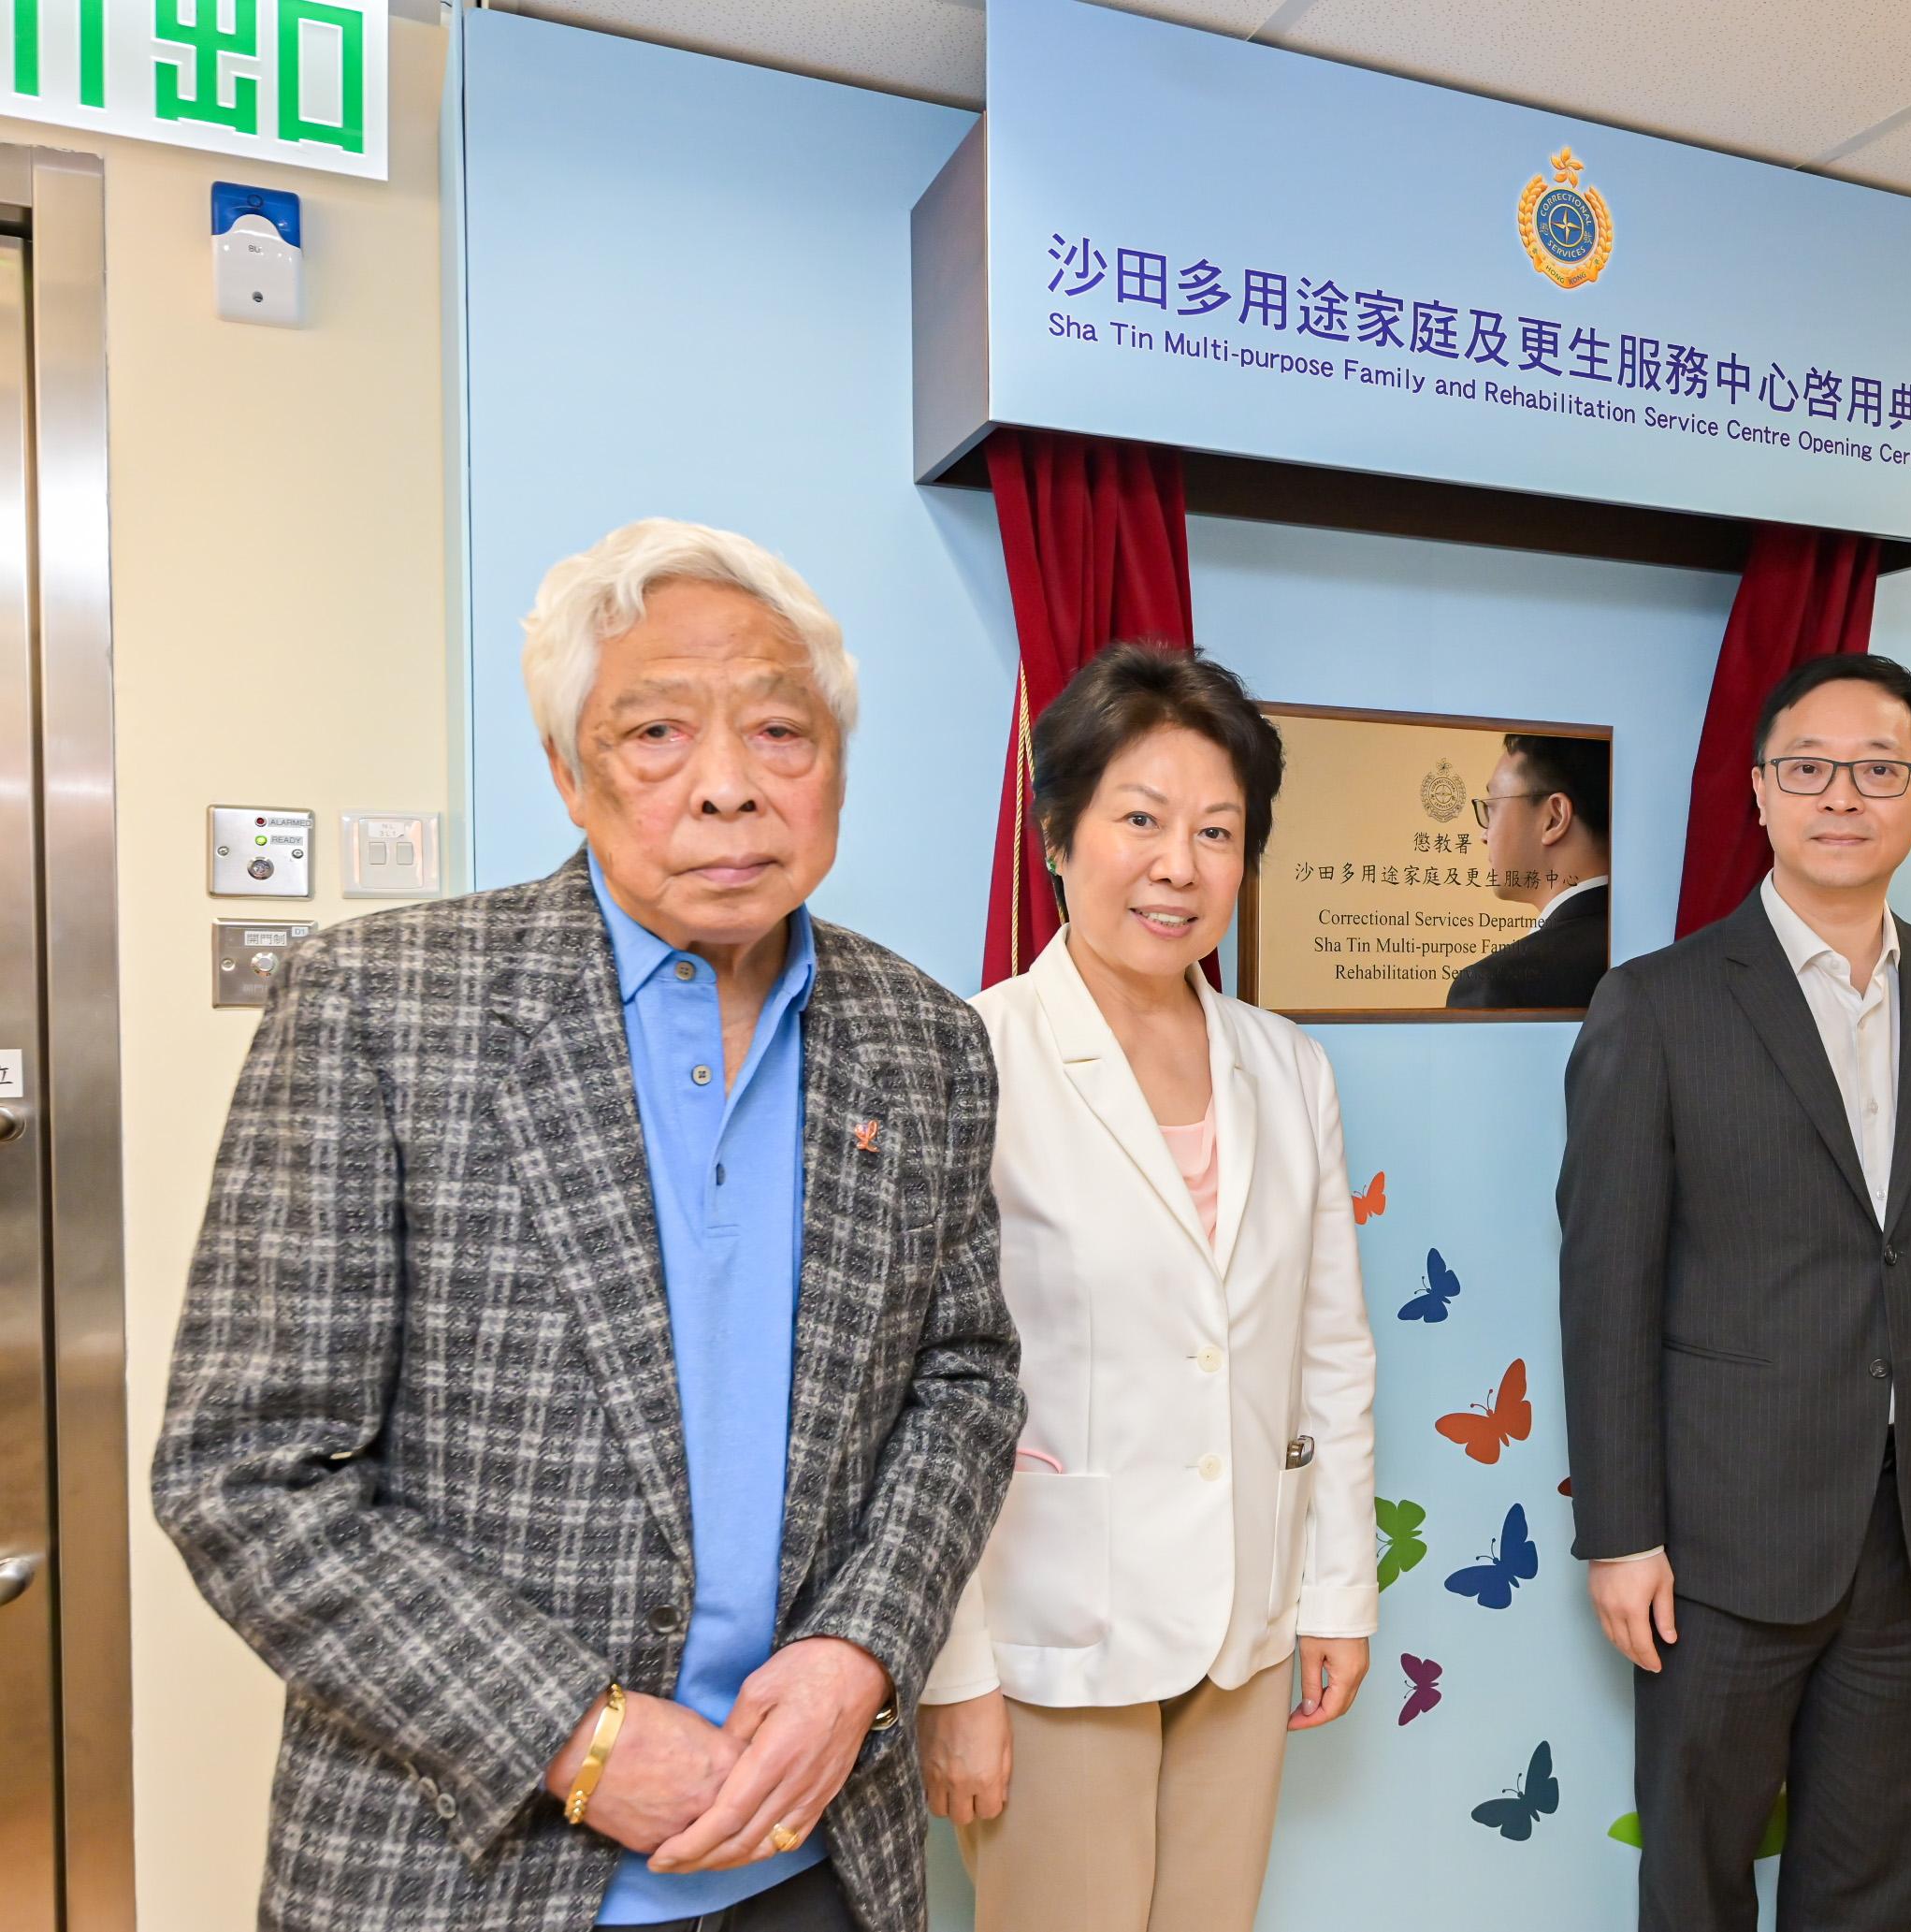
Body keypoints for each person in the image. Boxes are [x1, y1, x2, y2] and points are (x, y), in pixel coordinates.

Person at [150, 518, 1025, 1931]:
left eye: (781, 735)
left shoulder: (923, 1039)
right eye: (657, 733)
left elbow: (965, 1380)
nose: (729, 789)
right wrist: (580, 1733)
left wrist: (867, 1646)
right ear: (568, 769)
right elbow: (251, 1474)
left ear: (838, 767)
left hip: (819, 1862)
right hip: (463, 1873)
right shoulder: (382, 1008)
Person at [1558, 653, 1911, 1932]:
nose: (1846, 796)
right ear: (1760, 794)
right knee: (1697, 1869)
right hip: (1717, 1538)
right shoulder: (1655, 1004)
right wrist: (1620, 1528)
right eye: (1810, 770)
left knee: (1870, 1872)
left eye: (1879, 770)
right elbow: (1605, 1285)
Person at [914, 642, 1378, 1932]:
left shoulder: (1284, 1067)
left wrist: (1334, 1587)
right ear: (1058, 835)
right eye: (1140, 819)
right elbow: (913, 1397)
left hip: (1246, 1613)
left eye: (1218, 831)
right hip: (1052, 1629)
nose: (1179, 864)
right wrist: (953, 1673)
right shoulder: (973, 1053)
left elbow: (1327, 1350)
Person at [1448, 731, 1612, 1010]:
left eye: (1491, 808)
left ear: (1554, 817)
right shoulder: (1670, 945)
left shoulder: (1495, 986)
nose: (1483, 835)